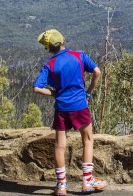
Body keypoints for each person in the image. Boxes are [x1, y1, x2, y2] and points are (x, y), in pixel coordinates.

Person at [33, 29, 108, 195]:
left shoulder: (49, 65)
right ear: (64, 41)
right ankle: (87, 181)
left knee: (60, 146)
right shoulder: (79, 55)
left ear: (48, 49)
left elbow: (37, 88)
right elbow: (97, 71)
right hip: (80, 105)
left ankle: (61, 186)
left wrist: (54, 93)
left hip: (61, 108)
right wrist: (88, 92)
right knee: (88, 140)